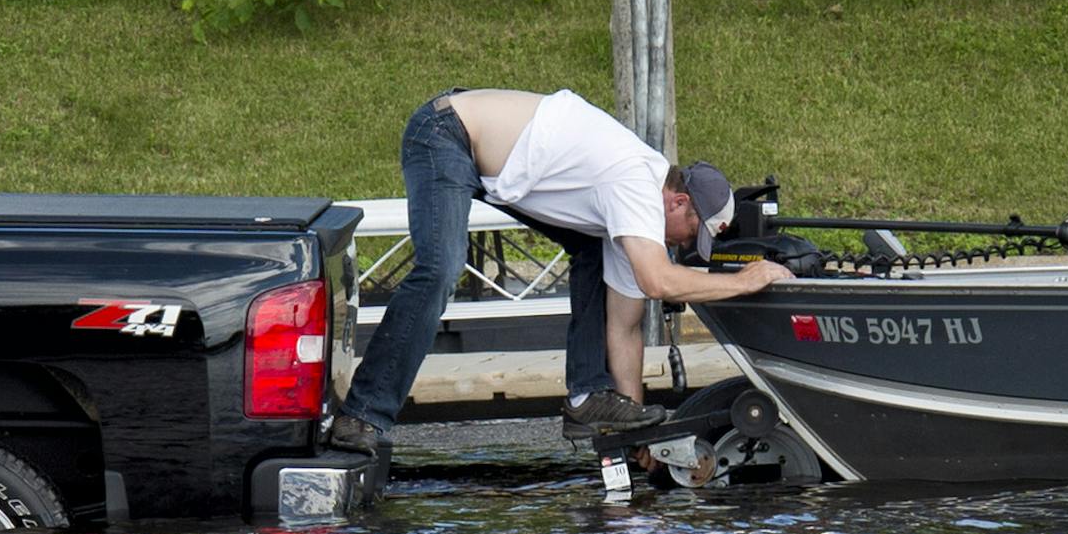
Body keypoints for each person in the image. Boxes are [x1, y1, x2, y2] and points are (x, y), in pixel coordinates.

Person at [328, 88, 795, 453]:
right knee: (441, 269)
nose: (683, 246)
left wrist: (633, 429)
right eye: (690, 234)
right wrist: (743, 281)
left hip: (487, 149)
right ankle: (362, 415)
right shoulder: (633, 181)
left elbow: (626, 327)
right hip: (446, 132)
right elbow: (660, 282)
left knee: (592, 251)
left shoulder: (632, 213)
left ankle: (586, 399)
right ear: (678, 201)